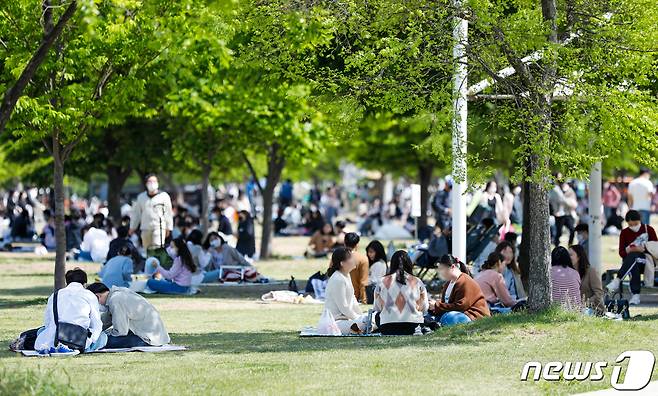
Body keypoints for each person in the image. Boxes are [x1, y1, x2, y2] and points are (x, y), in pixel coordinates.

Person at [34, 269, 104, 352]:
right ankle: (74, 348)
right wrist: (92, 339)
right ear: (84, 284)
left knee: (41, 331)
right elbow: (96, 323)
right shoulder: (89, 295)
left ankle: (52, 347)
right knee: (103, 337)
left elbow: (47, 322)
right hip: (78, 340)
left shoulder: (55, 295)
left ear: (67, 283)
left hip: (56, 337)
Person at [87, 283, 170, 348]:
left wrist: (103, 334)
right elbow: (107, 320)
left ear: (97, 296)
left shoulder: (115, 300)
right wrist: (92, 328)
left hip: (148, 338)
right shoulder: (117, 293)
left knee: (101, 340)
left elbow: (121, 332)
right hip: (155, 336)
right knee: (101, 337)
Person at [607, 209, 658, 305]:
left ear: (640, 220)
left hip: (647, 261)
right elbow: (621, 253)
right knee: (633, 259)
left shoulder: (649, 229)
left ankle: (619, 281)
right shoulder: (624, 232)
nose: (633, 227)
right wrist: (629, 250)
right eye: (630, 225)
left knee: (633, 257)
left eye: (635, 224)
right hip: (632, 262)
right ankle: (635, 296)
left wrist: (643, 249)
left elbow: (656, 249)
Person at [373, 250, 428, 335]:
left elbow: (377, 308)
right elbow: (425, 307)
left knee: (378, 316)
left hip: (387, 327)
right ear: (409, 263)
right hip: (413, 327)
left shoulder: (381, 281)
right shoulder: (417, 281)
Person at [429, 255, 490, 326]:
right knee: (430, 315)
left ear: (452, 267)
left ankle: (438, 323)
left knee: (450, 317)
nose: (440, 272)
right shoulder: (448, 284)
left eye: (442, 269)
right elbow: (446, 304)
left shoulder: (465, 281)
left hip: (472, 316)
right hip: (457, 313)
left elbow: (461, 306)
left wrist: (437, 306)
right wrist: (433, 307)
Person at [324, 248, 368, 334]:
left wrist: (361, 315)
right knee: (368, 323)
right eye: (350, 257)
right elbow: (344, 307)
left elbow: (353, 299)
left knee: (370, 319)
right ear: (342, 263)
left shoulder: (346, 275)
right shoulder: (338, 279)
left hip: (346, 320)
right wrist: (358, 318)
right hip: (335, 323)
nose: (353, 259)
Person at [129, 174, 174, 255]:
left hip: (159, 228)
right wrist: (132, 227)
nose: (152, 183)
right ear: (146, 184)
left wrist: (168, 227)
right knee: (147, 251)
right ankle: (149, 267)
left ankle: (158, 267)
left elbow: (168, 213)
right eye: (150, 181)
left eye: (154, 181)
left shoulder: (163, 196)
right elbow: (137, 214)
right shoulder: (141, 197)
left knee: (157, 250)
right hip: (145, 228)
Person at [569, 244, 604, 314]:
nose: (568, 258)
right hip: (574, 310)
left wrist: (584, 304)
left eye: (571, 255)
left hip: (592, 310)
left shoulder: (591, 271)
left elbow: (599, 293)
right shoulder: (568, 272)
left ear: (579, 257)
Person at [344, 232, 369, 303]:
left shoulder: (336, 255)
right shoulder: (362, 258)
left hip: (336, 295)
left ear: (344, 243)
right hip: (353, 297)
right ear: (357, 244)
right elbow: (363, 282)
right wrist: (364, 300)